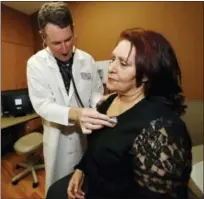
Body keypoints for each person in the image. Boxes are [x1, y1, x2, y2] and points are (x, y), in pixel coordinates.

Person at [46, 28, 192, 199]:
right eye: (113, 59)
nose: (111, 68)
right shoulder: (108, 102)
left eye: (123, 64)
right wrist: (81, 169)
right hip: (93, 186)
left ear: (145, 75)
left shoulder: (161, 130)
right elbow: (96, 146)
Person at [27, 2, 115, 191]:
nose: (65, 48)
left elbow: (94, 92)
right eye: (56, 43)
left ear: (73, 30)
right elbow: (42, 105)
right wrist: (75, 113)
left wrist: (99, 102)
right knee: (58, 188)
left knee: (83, 185)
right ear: (44, 37)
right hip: (57, 139)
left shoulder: (87, 60)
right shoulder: (35, 64)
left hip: (85, 137)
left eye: (68, 39)